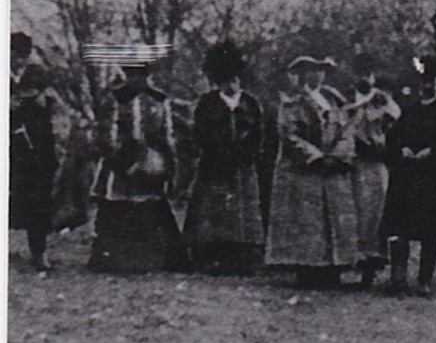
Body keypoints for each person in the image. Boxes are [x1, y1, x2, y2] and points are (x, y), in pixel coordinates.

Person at [264, 55, 360, 289]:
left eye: (321, 71)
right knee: (309, 221)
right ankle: (308, 270)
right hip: (306, 171)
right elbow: (289, 134)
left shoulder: (335, 101)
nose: (317, 75)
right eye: (311, 71)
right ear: (303, 74)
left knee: (335, 218)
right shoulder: (293, 103)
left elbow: (347, 131)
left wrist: (337, 155)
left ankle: (334, 268)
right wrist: (315, 156)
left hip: (333, 169)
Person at [88, 54, 184, 273]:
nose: (138, 79)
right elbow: (106, 136)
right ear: (127, 75)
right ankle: (116, 259)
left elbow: (167, 135)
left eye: (142, 74)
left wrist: (168, 167)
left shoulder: (159, 99)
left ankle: (156, 258)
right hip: (121, 164)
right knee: (119, 208)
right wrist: (124, 163)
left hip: (152, 164)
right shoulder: (115, 98)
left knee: (152, 207)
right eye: (133, 74)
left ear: (148, 75)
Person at [183, 40, 265, 275]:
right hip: (215, 165)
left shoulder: (250, 103)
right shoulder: (207, 103)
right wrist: (217, 152)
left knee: (243, 211)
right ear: (218, 80)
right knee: (212, 210)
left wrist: (246, 154)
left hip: (243, 165)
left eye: (235, 79)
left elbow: (259, 134)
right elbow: (200, 133)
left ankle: (244, 258)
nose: (231, 84)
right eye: (226, 79)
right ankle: (210, 257)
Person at [380, 55, 436, 296]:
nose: (427, 87)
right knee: (398, 227)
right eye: (423, 82)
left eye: (432, 82)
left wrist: (433, 151)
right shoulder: (411, 109)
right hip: (406, 175)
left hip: (434, 177)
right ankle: (398, 277)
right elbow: (394, 136)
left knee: (430, 231)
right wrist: (401, 148)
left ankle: (425, 279)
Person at [343, 54, 400, 289]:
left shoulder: (381, 101)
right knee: (350, 212)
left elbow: (394, 121)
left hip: (374, 163)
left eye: (368, 74)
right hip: (351, 163)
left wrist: (381, 142)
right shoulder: (347, 98)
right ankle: (348, 264)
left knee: (373, 214)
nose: (364, 79)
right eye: (360, 74)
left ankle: (370, 268)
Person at [10, 33, 58, 272]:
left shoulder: (37, 76)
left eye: (23, 55)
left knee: (37, 199)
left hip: (34, 148)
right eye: (14, 54)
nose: (18, 60)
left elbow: (49, 103)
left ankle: (39, 252)